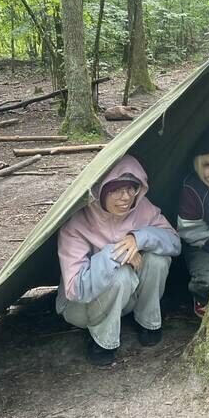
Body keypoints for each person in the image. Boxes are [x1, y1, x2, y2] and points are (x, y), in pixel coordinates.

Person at [56, 154, 181, 365]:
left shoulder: (142, 207)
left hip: (126, 299)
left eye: (131, 188)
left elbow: (174, 243)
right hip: (81, 307)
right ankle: (103, 341)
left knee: (157, 260)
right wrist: (118, 253)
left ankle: (148, 322)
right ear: (101, 190)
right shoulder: (78, 222)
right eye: (115, 190)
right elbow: (76, 289)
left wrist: (138, 238)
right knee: (120, 275)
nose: (125, 197)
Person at [177, 124, 209, 317]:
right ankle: (202, 297)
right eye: (207, 165)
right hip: (202, 246)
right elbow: (190, 232)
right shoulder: (192, 189)